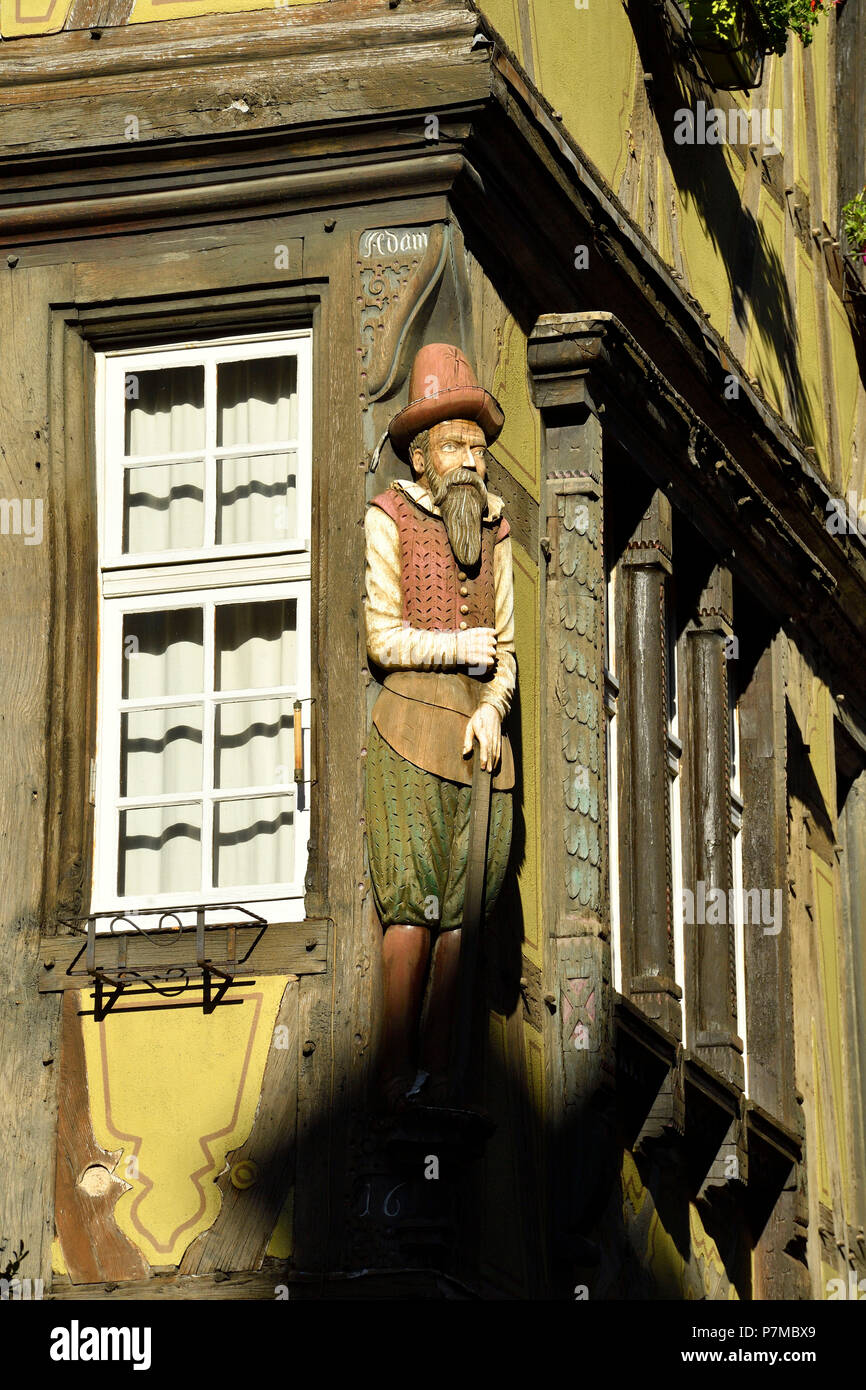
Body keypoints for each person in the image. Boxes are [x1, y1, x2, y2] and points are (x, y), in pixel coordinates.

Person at [363, 343, 516, 1109]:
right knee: (414, 909)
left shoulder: (496, 530)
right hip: (410, 729)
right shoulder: (390, 515)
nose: (469, 462)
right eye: (453, 446)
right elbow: (382, 638)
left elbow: (509, 646)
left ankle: (444, 1076)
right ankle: (396, 1077)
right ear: (422, 456)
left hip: (479, 743)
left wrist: (493, 706)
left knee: (464, 920)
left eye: (478, 449)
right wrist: (457, 648)